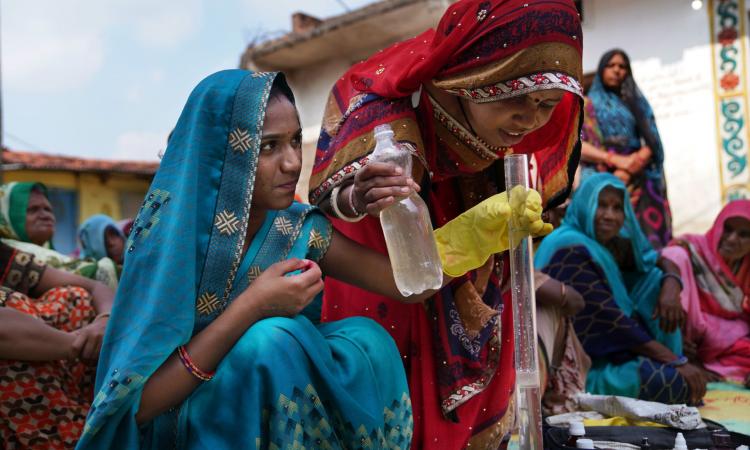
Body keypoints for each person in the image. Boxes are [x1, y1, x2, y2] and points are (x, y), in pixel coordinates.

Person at [76, 70, 547, 449]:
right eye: (267, 147)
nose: (290, 163)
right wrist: (253, 308)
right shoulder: (171, 245)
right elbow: (137, 407)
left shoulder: (298, 230)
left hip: (280, 428)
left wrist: (472, 236)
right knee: (270, 341)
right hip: (191, 429)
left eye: (293, 141)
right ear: (220, 156)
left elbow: (406, 283)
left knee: (363, 339)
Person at [308, 0, 583, 447]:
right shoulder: (386, 109)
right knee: (396, 408)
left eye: (548, 104)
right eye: (514, 97)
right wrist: (361, 194)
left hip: (469, 267)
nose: (530, 120)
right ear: (471, 75)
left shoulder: (506, 131)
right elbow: (333, 201)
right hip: (385, 278)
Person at [535, 173, 707, 405]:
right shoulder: (569, 248)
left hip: (614, 354)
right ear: (585, 205)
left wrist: (671, 286)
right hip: (579, 368)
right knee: (676, 383)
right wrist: (674, 360)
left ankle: (668, 364)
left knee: (654, 277)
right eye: (601, 205)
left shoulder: (602, 245)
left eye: (618, 208)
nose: (610, 215)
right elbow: (609, 321)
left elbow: (659, 261)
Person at [0, 241, 114, 449]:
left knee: (73, 295)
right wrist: (78, 345)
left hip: (91, 392)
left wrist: (105, 320)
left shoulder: (6, 259)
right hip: (44, 427)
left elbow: (96, 287)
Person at [580, 49, 673, 248]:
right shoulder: (587, 105)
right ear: (601, 70)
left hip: (637, 170)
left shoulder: (637, 103)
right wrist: (614, 162)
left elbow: (652, 140)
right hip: (601, 170)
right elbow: (578, 145)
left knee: (647, 236)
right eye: (611, 65)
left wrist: (635, 162)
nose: (617, 71)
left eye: (622, 67)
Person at [662, 200, 750, 387]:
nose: (732, 239)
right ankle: (684, 357)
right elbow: (669, 256)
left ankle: (709, 368)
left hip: (722, 339)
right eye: (728, 229)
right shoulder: (693, 248)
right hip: (684, 330)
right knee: (676, 257)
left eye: (744, 235)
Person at [0, 182, 119, 289]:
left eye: (48, 209)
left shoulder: (53, 255)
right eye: (33, 209)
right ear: (8, 217)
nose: (45, 215)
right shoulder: (7, 256)